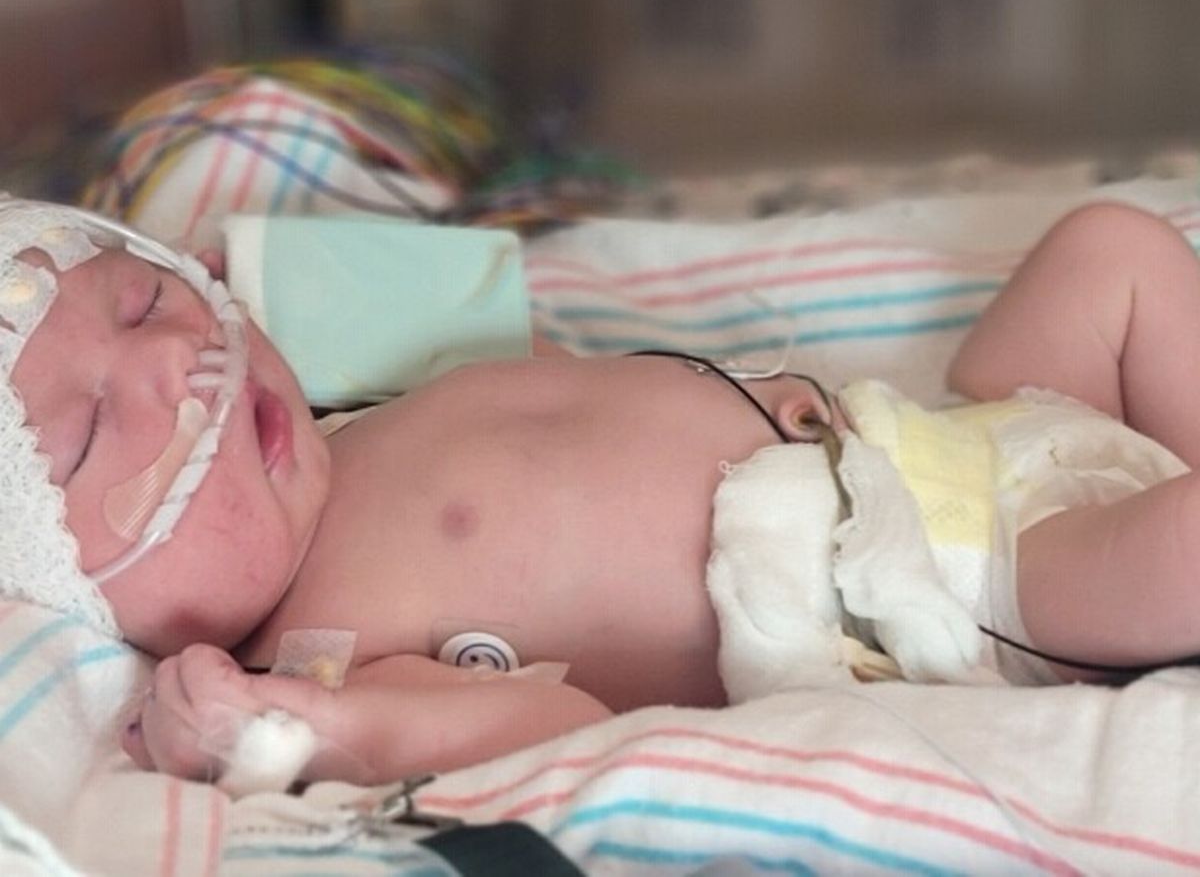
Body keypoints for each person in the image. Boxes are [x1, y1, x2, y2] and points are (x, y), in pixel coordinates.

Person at [4, 198, 1198, 786]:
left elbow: (498, 323)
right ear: (70, 590)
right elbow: (553, 731)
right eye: (94, 430)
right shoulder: (321, 646)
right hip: (958, 583)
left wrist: (280, 276)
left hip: (946, 430)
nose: (181, 365)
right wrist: (302, 730)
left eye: (146, 301)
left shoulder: (347, 406)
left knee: (1112, 246)